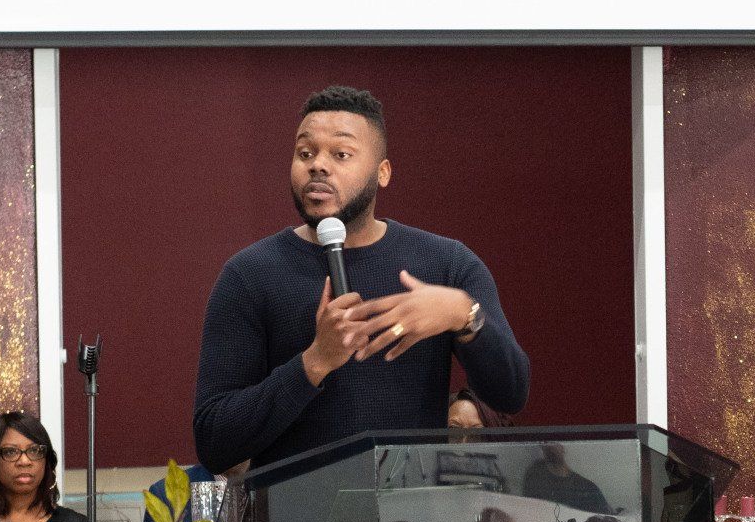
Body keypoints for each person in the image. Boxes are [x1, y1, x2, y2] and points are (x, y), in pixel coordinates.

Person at [192, 86, 530, 473]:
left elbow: (511, 394)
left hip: (410, 508)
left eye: (341, 154)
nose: (318, 166)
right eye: (305, 153)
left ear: (382, 172)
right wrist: (314, 362)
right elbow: (214, 442)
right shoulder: (249, 275)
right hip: (296, 511)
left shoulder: (447, 263)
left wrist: (463, 314)